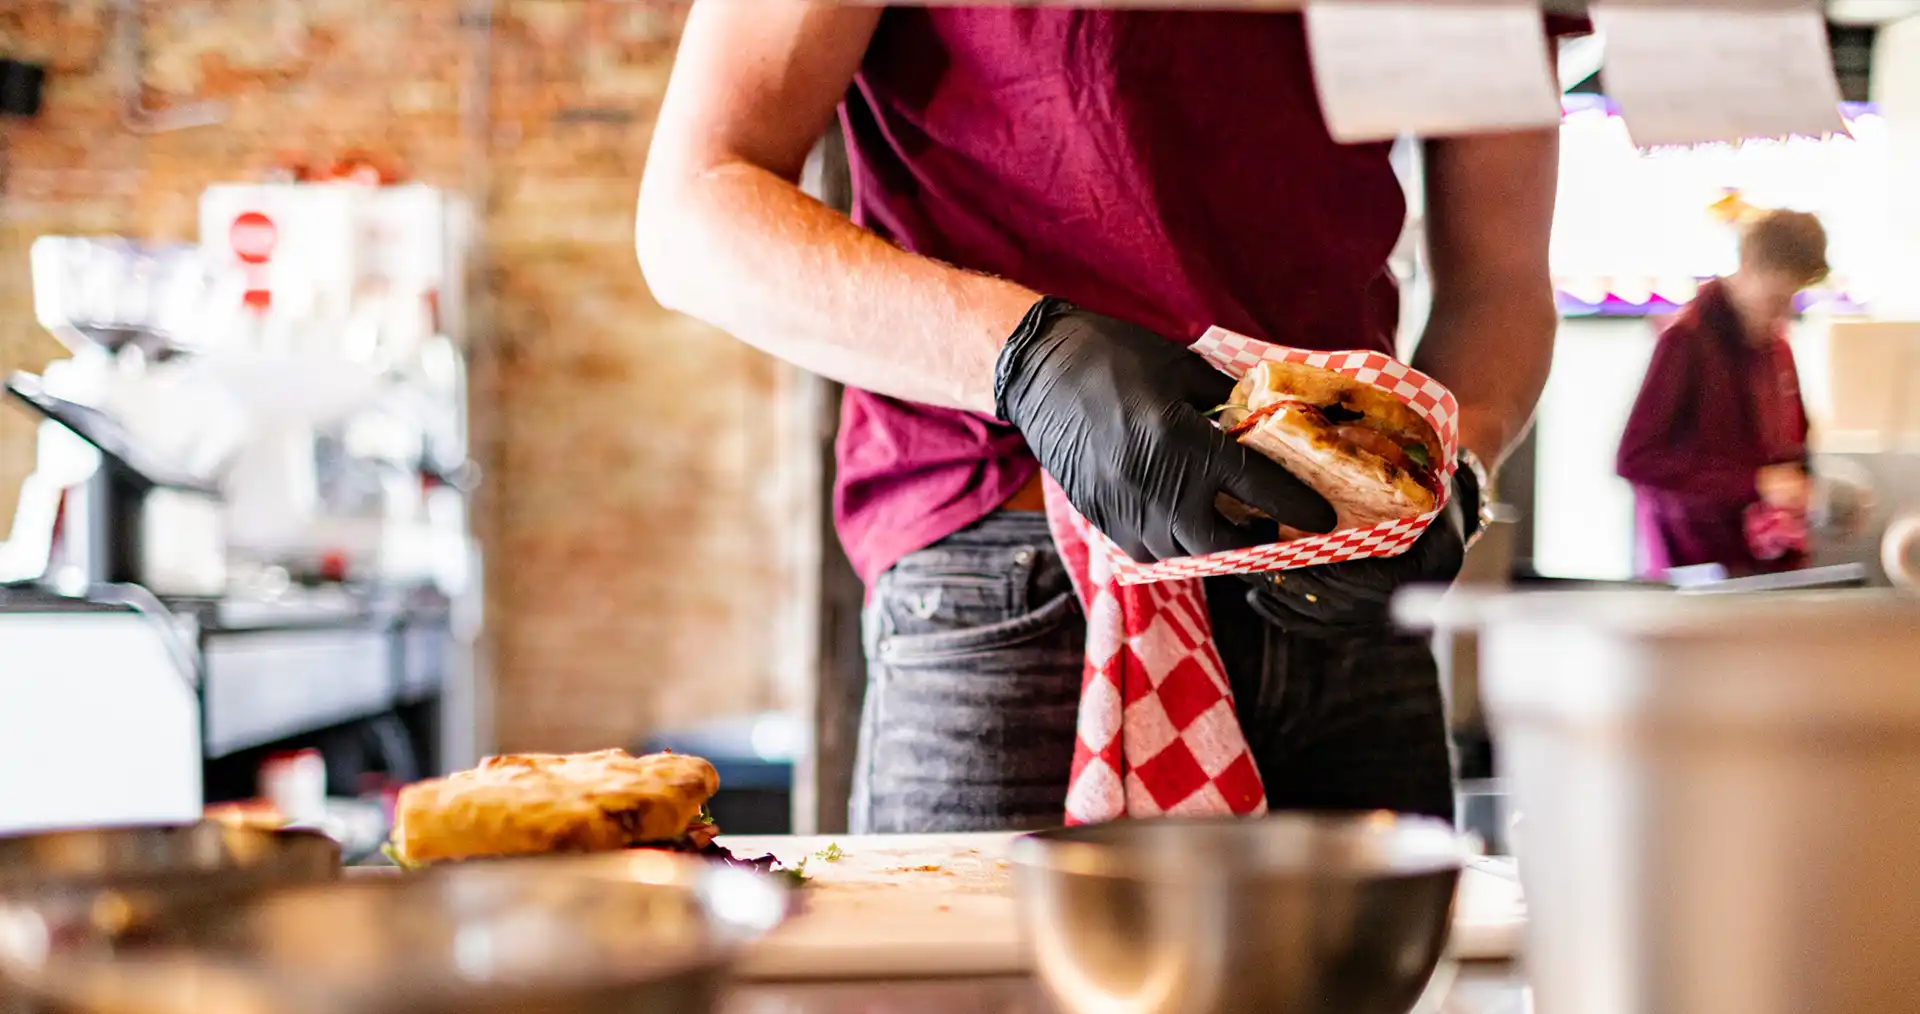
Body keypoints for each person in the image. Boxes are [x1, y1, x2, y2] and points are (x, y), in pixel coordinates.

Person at [636, 8, 1565, 833]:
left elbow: (1501, 281)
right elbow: (697, 207)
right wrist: (1029, 357)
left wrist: (1459, 468)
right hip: (1011, 577)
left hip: (1343, 589)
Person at [1615, 210, 1829, 579]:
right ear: (1746, 266)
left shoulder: (1775, 349)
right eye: (1776, 297)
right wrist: (1754, 483)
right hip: (1694, 568)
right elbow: (1636, 459)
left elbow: (1795, 450)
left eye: (1791, 300)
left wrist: (1798, 486)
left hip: (1764, 570)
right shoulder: (1685, 341)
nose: (1782, 313)